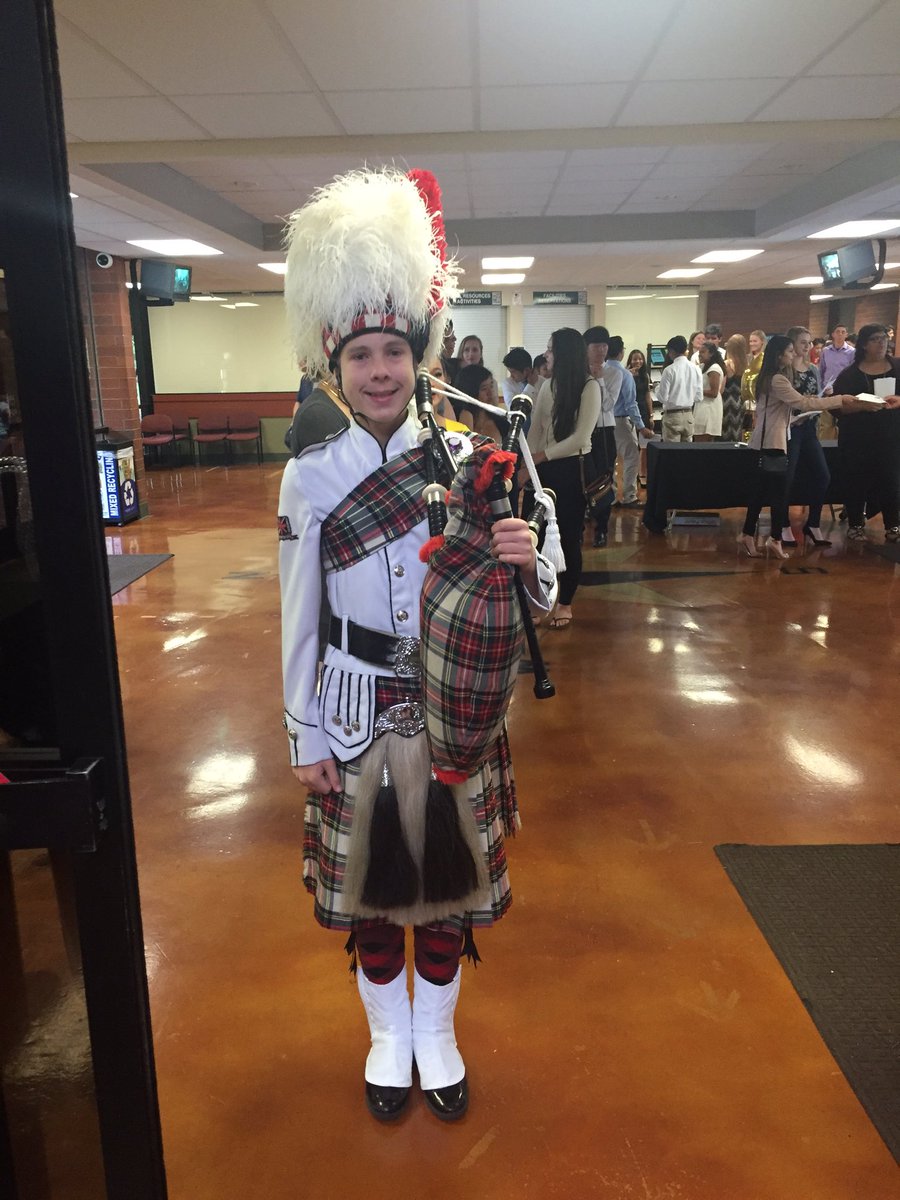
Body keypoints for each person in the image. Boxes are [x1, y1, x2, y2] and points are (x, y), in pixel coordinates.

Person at [279, 167, 556, 1124]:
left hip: (454, 715)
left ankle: (434, 1035)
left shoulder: (474, 454)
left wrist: (529, 559)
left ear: (419, 351)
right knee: (370, 898)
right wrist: (302, 737)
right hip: (352, 710)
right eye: (364, 355)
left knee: (443, 896)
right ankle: (385, 1036)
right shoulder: (310, 479)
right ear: (336, 364)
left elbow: (544, 590)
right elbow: (297, 616)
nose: (382, 370)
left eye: (396, 348)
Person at [737, 335, 873, 558]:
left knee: (762, 493)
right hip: (772, 443)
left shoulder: (771, 377)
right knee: (777, 494)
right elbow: (803, 402)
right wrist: (840, 399)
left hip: (770, 439)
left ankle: (751, 535)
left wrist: (795, 418)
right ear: (780, 354)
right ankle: (774, 538)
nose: (794, 355)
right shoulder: (777, 380)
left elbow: (779, 412)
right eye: (790, 351)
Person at [524, 327, 602, 627]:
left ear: (565, 354)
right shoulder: (548, 385)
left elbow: (580, 437)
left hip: (572, 470)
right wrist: (526, 464)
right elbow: (537, 431)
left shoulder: (589, 387)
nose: (546, 355)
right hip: (543, 470)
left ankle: (565, 602)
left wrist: (541, 456)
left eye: (551, 349)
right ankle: (537, 601)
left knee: (567, 537)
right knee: (533, 537)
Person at [830, 324, 900, 542]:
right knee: (856, 480)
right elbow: (836, 405)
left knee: (890, 480)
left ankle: (893, 525)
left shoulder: (897, 367)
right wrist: (862, 406)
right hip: (858, 438)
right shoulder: (851, 373)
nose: (881, 343)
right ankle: (856, 524)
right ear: (863, 344)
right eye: (875, 339)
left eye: (884, 338)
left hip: (890, 435)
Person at [780, 326, 828, 547]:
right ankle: (782, 523)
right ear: (792, 344)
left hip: (809, 428)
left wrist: (821, 399)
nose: (807, 346)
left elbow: (815, 397)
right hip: (790, 428)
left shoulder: (813, 370)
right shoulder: (785, 371)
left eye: (809, 342)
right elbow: (784, 401)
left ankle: (813, 523)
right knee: (787, 477)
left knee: (822, 475)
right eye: (802, 342)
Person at [607, 336, 653, 504]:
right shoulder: (625, 374)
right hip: (620, 421)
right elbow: (631, 404)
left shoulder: (601, 370)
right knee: (632, 457)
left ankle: (610, 497)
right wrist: (641, 427)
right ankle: (629, 496)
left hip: (604, 422)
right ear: (621, 352)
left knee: (609, 460)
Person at [582, 326, 614, 546]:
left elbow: (608, 405)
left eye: (604, 345)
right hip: (584, 431)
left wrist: (600, 380)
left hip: (604, 432)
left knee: (604, 479)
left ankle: (601, 528)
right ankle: (583, 518)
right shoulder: (579, 372)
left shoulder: (614, 373)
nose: (601, 350)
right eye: (596, 346)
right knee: (584, 478)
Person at [656, 334, 702, 442]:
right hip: (688, 415)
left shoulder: (669, 370)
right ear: (686, 349)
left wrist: (657, 388)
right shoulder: (696, 369)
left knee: (672, 453)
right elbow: (698, 397)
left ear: (671, 351)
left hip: (672, 416)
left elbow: (662, 398)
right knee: (686, 453)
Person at [626, 349, 653, 485]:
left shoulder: (645, 375)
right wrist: (628, 375)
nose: (638, 361)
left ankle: (642, 473)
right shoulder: (626, 374)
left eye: (640, 359)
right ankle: (633, 473)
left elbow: (648, 395)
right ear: (630, 360)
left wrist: (651, 414)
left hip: (643, 410)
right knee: (633, 445)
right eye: (635, 359)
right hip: (630, 412)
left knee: (644, 445)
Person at [694, 342, 725, 441]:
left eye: (703, 352)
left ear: (711, 353)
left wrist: (696, 391)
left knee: (702, 440)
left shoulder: (714, 368)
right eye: (699, 352)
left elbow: (714, 393)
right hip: (702, 405)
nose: (700, 354)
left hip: (709, 408)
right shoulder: (703, 367)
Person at [721, 334, 748, 442]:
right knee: (738, 433)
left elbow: (722, 387)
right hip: (740, 401)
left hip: (727, 402)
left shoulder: (727, 364)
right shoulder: (747, 364)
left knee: (726, 435)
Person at [741, 329, 766, 431]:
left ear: (762, 342)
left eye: (755, 341)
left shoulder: (765, 359)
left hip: (758, 401)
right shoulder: (748, 358)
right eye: (750, 341)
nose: (752, 344)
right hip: (746, 403)